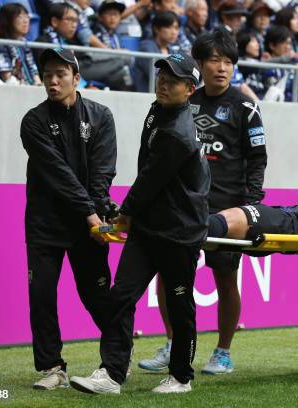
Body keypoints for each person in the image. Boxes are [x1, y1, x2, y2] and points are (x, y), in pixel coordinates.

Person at [69, 53, 208, 395]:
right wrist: (133, 215)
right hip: (149, 227)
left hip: (179, 231)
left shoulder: (178, 132)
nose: (163, 82)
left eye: (173, 80)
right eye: (161, 75)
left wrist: (124, 214)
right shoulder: (157, 110)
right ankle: (113, 373)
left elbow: (150, 180)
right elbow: (148, 172)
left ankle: (180, 377)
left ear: (189, 89)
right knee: (121, 297)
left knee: (179, 305)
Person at [139, 30, 267, 375]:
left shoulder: (245, 106)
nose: (221, 68)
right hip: (181, 207)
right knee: (169, 275)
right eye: (214, 60)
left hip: (227, 210)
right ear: (199, 64)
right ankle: (171, 344)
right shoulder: (182, 100)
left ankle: (223, 352)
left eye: (228, 61)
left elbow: (258, 160)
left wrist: (250, 206)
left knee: (225, 278)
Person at [20, 48, 117, 390]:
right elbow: (58, 174)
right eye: (47, 75)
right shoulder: (33, 121)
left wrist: (100, 212)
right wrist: (92, 213)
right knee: (42, 295)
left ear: (76, 78)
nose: (53, 81)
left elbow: (103, 173)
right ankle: (52, 368)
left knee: (96, 296)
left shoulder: (101, 115)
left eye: (60, 74)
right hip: (45, 224)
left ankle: (117, 359)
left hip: (87, 227)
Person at [0, 3, 41, 85]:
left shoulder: (25, 44)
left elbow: (35, 74)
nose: (25, 21)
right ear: (7, 20)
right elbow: (7, 77)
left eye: (27, 16)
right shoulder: (0, 45)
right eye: (20, 17)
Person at [134, 11, 182, 92]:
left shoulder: (172, 50)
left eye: (176, 28)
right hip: (147, 95)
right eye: (169, 27)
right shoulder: (146, 47)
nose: (174, 32)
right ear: (156, 29)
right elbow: (157, 77)